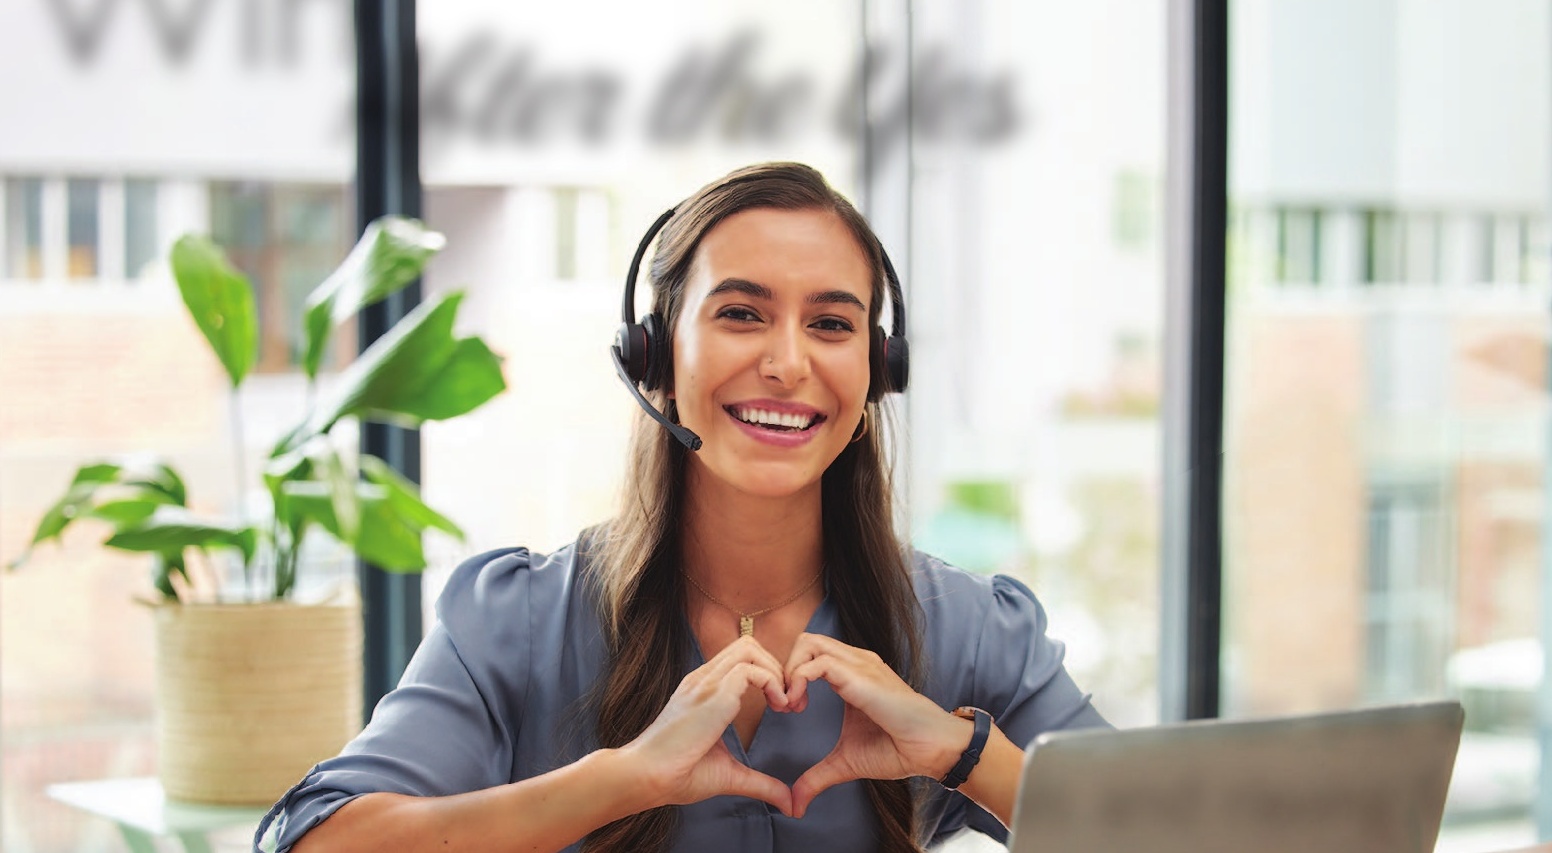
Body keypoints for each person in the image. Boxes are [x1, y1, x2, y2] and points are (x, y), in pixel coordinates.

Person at [256, 162, 1107, 853]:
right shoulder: (516, 621)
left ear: (875, 374)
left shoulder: (967, 628)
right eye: (742, 313)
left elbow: (1190, 834)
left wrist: (964, 754)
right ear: (655, 356)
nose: (787, 362)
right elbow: (314, 842)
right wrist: (627, 777)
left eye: (832, 324)